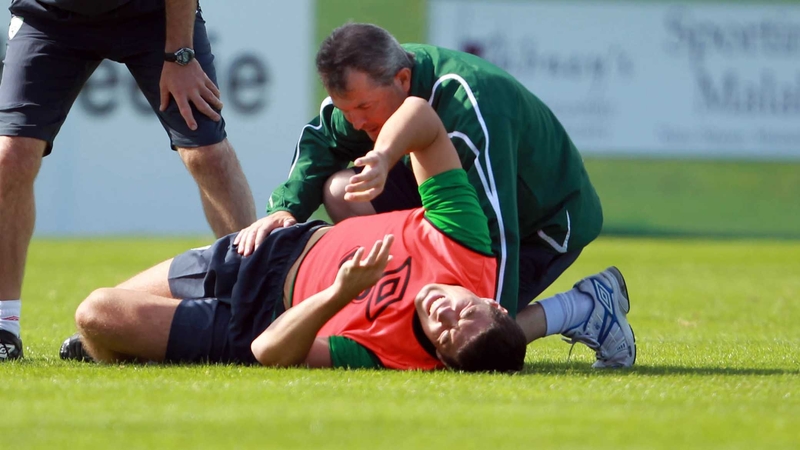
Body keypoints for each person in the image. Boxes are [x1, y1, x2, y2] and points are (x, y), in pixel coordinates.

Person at [234, 23, 635, 367]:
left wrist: (480, 337)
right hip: (460, 206)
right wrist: (284, 209)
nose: (355, 122)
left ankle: (584, 307)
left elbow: (500, 231)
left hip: (543, 223)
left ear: (403, 80)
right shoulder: (369, 91)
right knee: (342, 190)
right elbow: (322, 140)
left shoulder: (470, 109)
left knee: (470, 336)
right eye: (346, 110)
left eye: (363, 108)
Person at [61, 97, 528, 372]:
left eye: (445, 334)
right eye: (465, 311)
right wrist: (385, 156)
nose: (445, 313)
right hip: (266, 248)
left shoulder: (394, 353)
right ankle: (128, 347)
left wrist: (340, 292)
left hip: (255, 322)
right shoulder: (466, 245)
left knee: (96, 313)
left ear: (440, 359)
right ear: (493, 303)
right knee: (99, 326)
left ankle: (132, 346)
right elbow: (420, 115)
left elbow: (267, 350)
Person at [0, 0, 257, 360]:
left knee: (207, 154)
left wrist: (181, 55)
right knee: (9, 157)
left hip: (153, 15)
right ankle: (4, 326)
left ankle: (260, 302)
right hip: (50, 16)